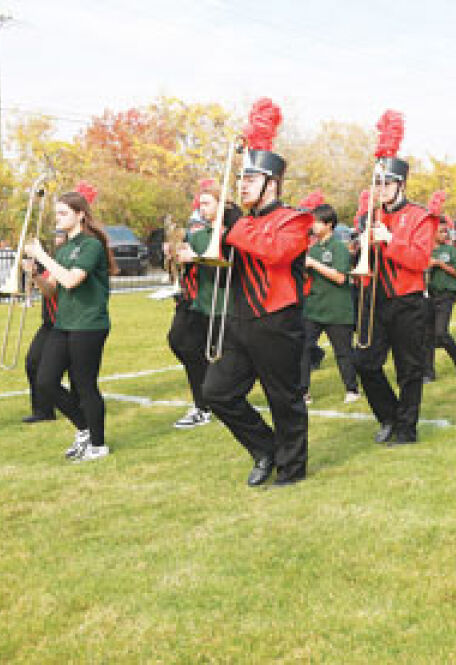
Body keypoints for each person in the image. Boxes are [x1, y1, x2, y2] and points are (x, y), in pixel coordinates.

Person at [201, 98, 313, 487]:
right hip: (238, 318)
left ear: (272, 183)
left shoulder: (295, 219)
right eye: (241, 178)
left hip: (276, 318)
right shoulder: (241, 222)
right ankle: (266, 449)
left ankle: (292, 468)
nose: (242, 185)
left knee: (284, 398)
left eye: (250, 179)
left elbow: (275, 252)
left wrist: (234, 224)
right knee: (217, 392)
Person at [352, 112, 438, 446]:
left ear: (401, 184)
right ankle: (389, 415)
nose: (381, 189)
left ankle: (406, 428)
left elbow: (419, 260)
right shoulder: (369, 216)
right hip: (374, 299)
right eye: (377, 184)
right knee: (364, 362)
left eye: (386, 184)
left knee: (409, 369)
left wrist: (389, 239)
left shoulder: (420, 217)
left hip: (407, 301)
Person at [24, 188, 117, 462]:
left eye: (63, 213)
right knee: (45, 381)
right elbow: (52, 289)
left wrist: (42, 256)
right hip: (63, 324)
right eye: (57, 213)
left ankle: (98, 445)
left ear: (80, 215)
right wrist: (36, 276)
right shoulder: (64, 249)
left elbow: (71, 281)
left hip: (89, 325)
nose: (58, 218)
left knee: (85, 385)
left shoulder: (91, 245)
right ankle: (84, 429)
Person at [168, 179, 236, 428]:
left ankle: (217, 402)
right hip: (200, 305)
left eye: (207, 203)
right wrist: (176, 258)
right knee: (181, 343)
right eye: (200, 204)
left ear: (221, 204)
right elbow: (189, 271)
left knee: (231, 359)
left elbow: (228, 268)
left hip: (226, 306)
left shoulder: (232, 234)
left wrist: (195, 258)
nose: (201, 208)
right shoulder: (199, 235)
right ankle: (203, 404)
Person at [299, 201, 359, 404]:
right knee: (304, 349)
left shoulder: (339, 248)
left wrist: (314, 264)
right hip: (314, 308)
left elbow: (340, 277)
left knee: (343, 352)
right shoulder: (313, 249)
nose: (313, 226)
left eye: (317, 222)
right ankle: (303, 391)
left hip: (337, 309)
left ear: (329, 224)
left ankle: (352, 389)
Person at [19, 232, 64, 424]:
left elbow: (50, 290)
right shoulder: (51, 262)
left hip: (66, 324)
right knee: (33, 362)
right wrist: (32, 274)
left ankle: (80, 407)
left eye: (61, 234)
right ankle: (44, 411)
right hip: (49, 323)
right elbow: (40, 287)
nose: (57, 237)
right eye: (57, 234)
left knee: (71, 373)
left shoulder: (65, 262)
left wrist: (37, 276)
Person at [425, 215, 456, 379]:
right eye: (441, 231)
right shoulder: (425, 249)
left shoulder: (451, 250)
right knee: (427, 335)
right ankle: (428, 372)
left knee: (441, 333)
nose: (445, 234)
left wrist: (440, 264)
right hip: (428, 294)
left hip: (446, 294)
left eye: (446, 231)